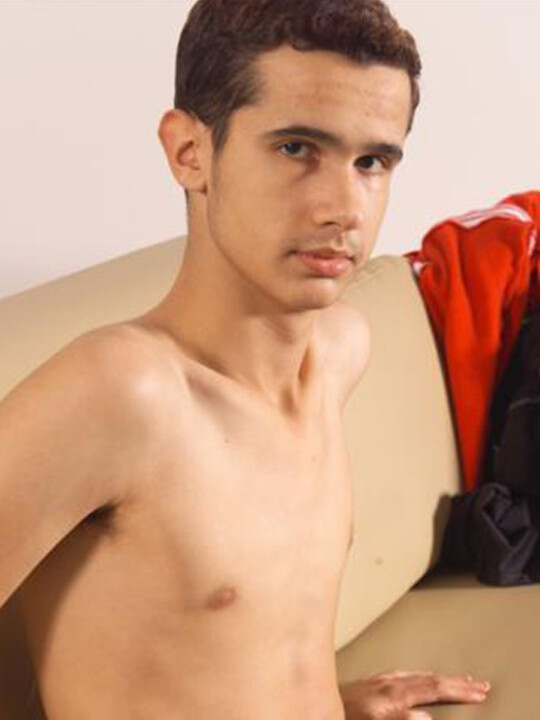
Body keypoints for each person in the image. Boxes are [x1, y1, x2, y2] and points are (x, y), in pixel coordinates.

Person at [0, 1, 491, 718]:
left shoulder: (341, 350)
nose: (343, 208)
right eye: (296, 148)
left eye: (371, 162)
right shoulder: (121, 394)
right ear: (189, 152)